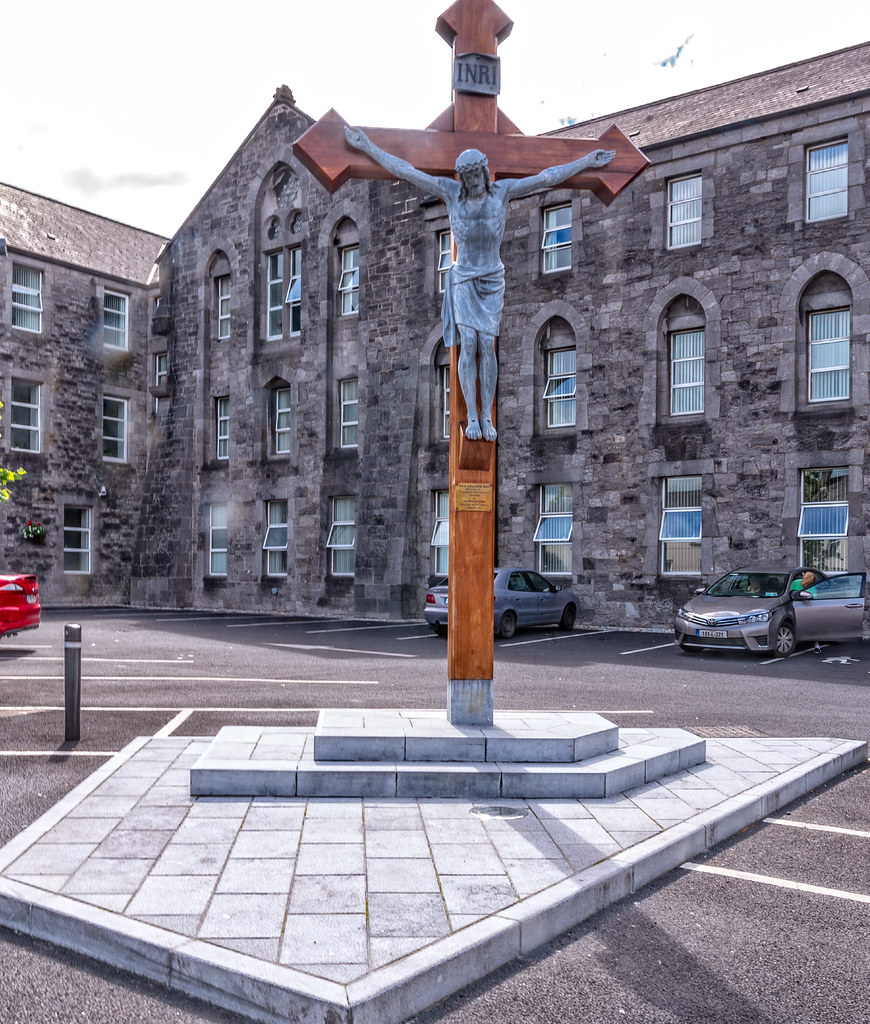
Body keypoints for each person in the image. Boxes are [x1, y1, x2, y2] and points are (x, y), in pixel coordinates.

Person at [344, 126, 615, 442]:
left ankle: (487, 415)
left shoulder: (503, 191)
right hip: (463, 278)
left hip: (491, 279)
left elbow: (547, 177)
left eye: (476, 175)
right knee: (468, 344)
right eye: (466, 176)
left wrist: (586, 162)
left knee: (487, 345)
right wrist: (367, 147)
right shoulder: (449, 191)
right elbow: (405, 170)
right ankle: (472, 416)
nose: (472, 181)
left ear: (484, 172)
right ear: (461, 176)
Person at [790, 571, 822, 652]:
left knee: (812, 624)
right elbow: (790, 593)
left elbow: (814, 597)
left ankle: (816, 644)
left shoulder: (812, 586)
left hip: (807, 608)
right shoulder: (796, 583)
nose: (808, 584)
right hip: (795, 607)